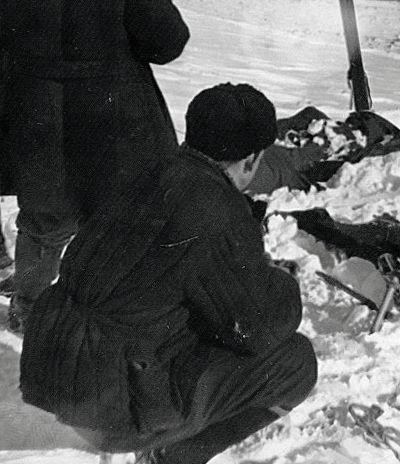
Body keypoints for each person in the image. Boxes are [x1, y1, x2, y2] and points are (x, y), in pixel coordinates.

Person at [19, 83, 318, 464]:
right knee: (295, 362)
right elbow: (255, 330)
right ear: (251, 160)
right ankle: (174, 456)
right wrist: (282, 282)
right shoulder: (215, 207)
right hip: (109, 409)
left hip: (50, 369)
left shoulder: (143, 172)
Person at [0, 0, 190, 331]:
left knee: (43, 218)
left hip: (33, 109)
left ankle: (30, 308)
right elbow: (167, 43)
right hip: (113, 112)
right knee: (115, 217)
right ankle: (107, 311)